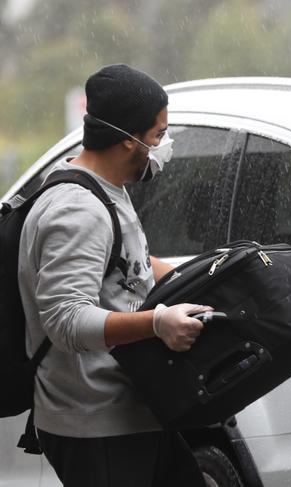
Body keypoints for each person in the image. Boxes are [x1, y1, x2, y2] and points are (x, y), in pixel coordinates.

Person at [18, 64, 211, 487]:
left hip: (131, 408)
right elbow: (67, 320)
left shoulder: (104, 187)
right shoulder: (78, 209)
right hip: (97, 424)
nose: (164, 145)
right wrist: (157, 323)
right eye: (158, 135)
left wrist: (211, 275)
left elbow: (128, 264)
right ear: (128, 141)